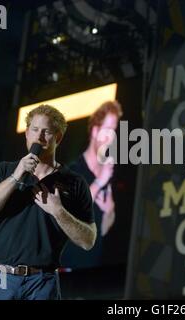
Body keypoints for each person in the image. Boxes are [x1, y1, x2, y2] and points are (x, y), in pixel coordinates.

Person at [0, 104, 96, 300]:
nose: (39, 137)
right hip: (0, 278)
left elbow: (88, 240)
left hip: (42, 282)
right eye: (35, 130)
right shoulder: (5, 170)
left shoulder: (74, 182)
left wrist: (58, 211)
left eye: (46, 131)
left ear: (58, 138)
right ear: (27, 134)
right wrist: (16, 176)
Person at [67, 100, 122, 268]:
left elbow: (102, 230)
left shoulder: (106, 173)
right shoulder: (73, 171)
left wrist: (109, 211)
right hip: (67, 269)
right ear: (95, 130)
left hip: (90, 268)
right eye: (108, 130)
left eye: (114, 131)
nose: (111, 137)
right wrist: (99, 182)